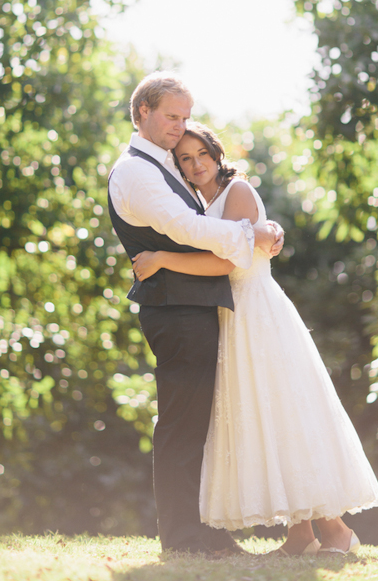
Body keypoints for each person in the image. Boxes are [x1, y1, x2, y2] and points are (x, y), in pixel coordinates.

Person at [132, 123, 378, 557]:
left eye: (202, 155)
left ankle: (337, 530)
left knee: (286, 414)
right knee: (264, 420)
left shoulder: (239, 190)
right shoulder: (203, 201)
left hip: (258, 314)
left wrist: (160, 260)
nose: (195, 165)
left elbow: (226, 263)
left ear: (217, 153)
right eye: (186, 159)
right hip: (231, 319)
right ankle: (300, 534)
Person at [108, 72, 283, 556]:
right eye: (171, 116)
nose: (179, 125)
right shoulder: (136, 171)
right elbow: (185, 227)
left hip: (191, 307)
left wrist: (260, 227)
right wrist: (254, 236)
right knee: (182, 426)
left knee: (197, 425)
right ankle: (184, 538)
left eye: (185, 117)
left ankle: (201, 530)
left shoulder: (161, 164)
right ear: (142, 111)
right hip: (176, 310)